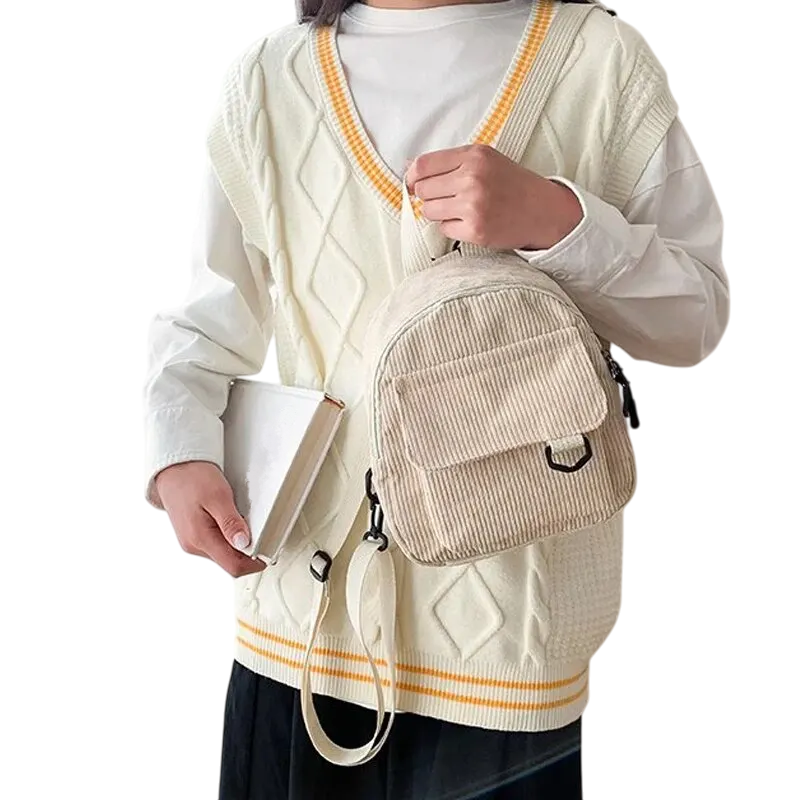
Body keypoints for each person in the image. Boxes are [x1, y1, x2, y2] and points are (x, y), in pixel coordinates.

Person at [142, 1, 729, 797]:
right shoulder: (267, 81)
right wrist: (179, 454)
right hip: (297, 640)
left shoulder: (601, 61)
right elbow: (206, 322)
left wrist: (558, 222)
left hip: (507, 664)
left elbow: (695, 316)